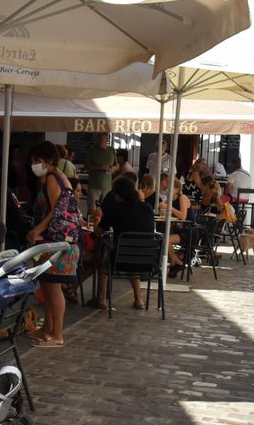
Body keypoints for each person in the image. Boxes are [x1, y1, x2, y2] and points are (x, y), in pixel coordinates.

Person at [25, 141, 82, 347]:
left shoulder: (52, 177)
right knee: (48, 285)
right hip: (56, 241)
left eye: (36, 161)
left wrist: (36, 231)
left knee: (54, 288)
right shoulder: (58, 177)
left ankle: (57, 334)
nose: (34, 165)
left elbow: (55, 212)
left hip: (57, 243)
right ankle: (47, 329)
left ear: (48, 161)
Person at [95, 175, 156, 310]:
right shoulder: (148, 208)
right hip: (147, 260)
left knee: (105, 261)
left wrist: (97, 218)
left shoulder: (116, 209)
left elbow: (99, 232)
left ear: (118, 194)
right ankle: (139, 300)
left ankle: (101, 300)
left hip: (121, 259)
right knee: (131, 251)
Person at [84, 133, 116, 210]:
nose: (98, 141)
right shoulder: (92, 149)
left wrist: (113, 169)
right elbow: (86, 166)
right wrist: (99, 167)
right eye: (98, 139)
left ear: (107, 140)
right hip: (94, 187)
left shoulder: (111, 150)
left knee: (106, 209)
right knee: (92, 209)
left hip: (107, 187)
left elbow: (116, 165)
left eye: (101, 139)